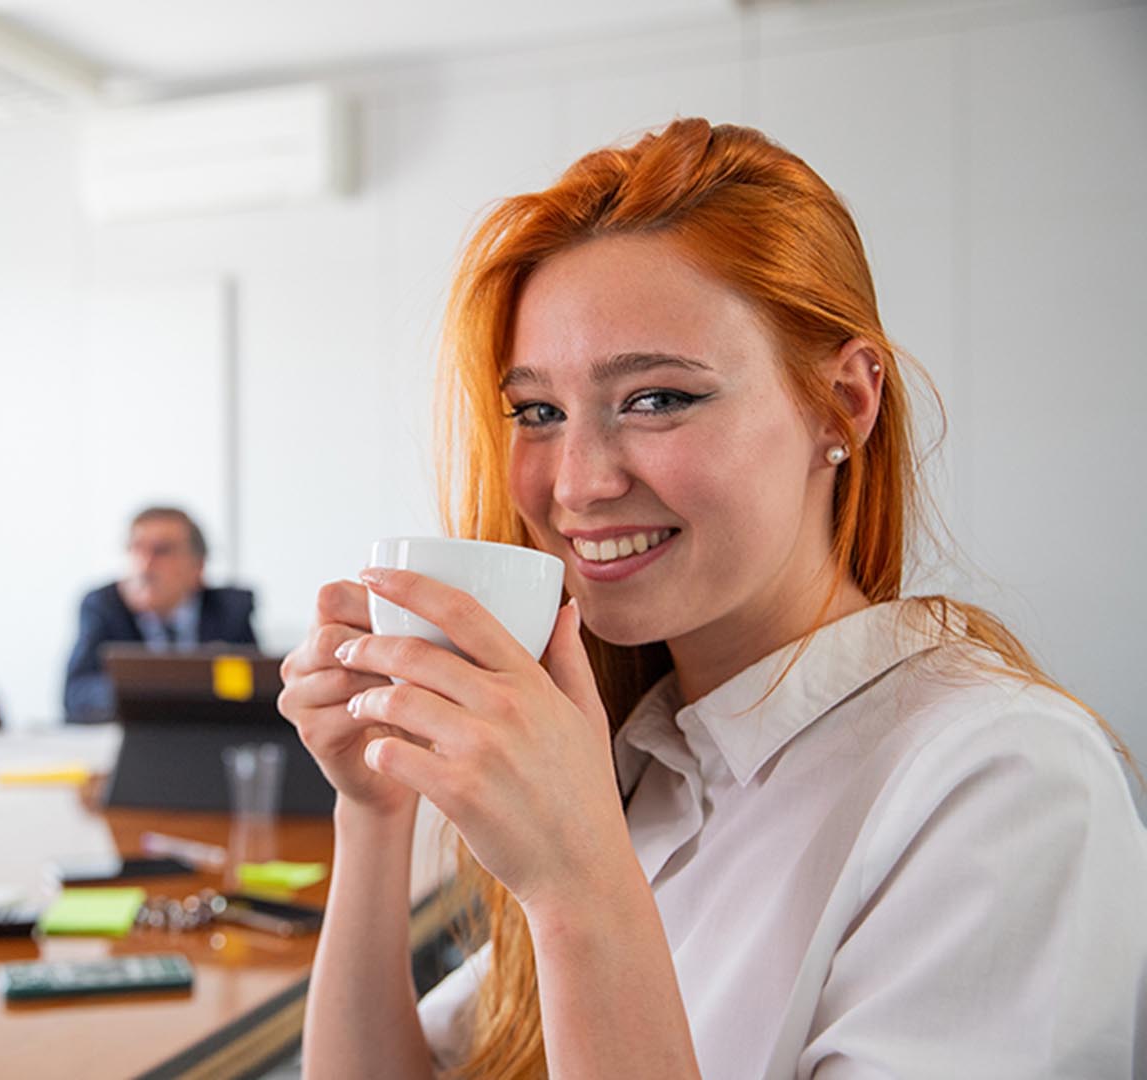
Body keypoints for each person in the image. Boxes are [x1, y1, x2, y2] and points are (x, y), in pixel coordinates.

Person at [277, 118, 1147, 1078]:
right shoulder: (648, 755)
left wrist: (580, 893)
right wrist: (375, 812)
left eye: (656, 398)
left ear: (843, 404)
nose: (576, 484)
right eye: (539, 413)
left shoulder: (1006, 779)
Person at [64, 506, 257, 723]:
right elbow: (77, 695)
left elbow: (253, 688)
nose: (145, 565)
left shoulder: (230, 610)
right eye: (136, 549)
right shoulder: (103, 606)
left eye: (162, 551)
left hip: (205, 736)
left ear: (198, 566)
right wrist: (160, 687)